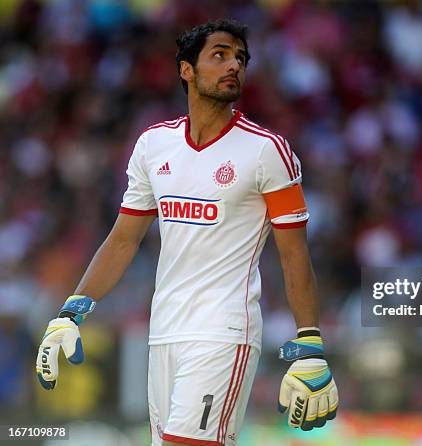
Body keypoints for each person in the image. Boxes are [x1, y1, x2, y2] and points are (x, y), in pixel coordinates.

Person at [35, 19, 338, 446]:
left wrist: (310, 345)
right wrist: (71, 312)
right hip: (163, 334)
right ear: (186, 70)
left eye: (240, 58)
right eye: (220, 55)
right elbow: (124, 238)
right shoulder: (153, 145)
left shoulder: (268, 151)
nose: (233, 65)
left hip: (224, 332)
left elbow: (293, 254)